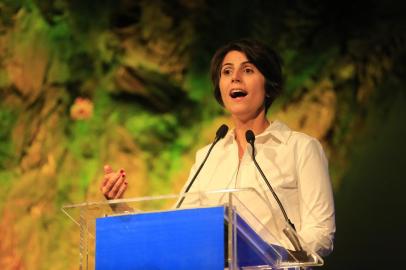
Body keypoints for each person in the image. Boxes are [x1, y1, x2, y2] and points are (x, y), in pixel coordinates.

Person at [100, 39, 335, 257]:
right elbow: (176, 226)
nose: (235, 78)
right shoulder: (208, 156)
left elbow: (321, 232)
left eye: (248, 70)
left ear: (269, 86)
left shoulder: (300, 148)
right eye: (227, 72)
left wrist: (273, 255)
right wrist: (120, 206)